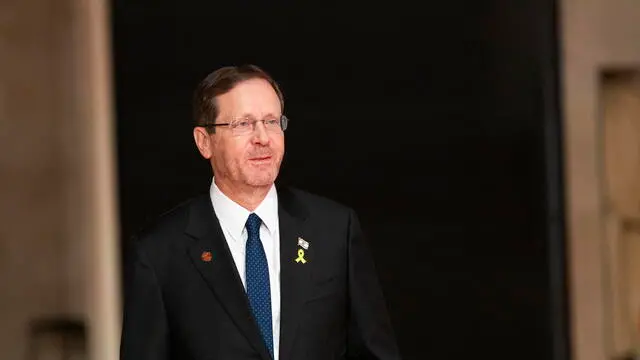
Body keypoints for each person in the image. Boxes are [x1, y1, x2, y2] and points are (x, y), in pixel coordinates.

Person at [119, 64, 401, 360]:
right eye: (243, 124)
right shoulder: (160, 252)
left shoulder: (334, 230)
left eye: (271, 121)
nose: (263, 138)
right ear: (205, 142)